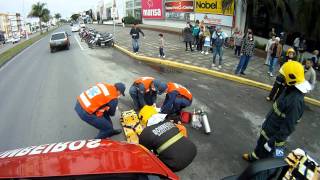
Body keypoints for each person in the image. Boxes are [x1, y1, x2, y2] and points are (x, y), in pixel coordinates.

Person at [243, 61, 311, 162]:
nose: (281, 77)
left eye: (283, 76)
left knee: (270, 160)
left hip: (274, 140)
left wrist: (272, 143)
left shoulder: (295, 102)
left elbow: (288, 128)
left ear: (291, 78)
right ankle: (254, 158)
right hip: (268, 130)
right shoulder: (289, 89)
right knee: (260, 147)